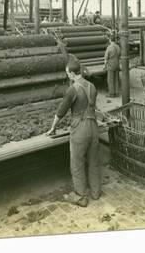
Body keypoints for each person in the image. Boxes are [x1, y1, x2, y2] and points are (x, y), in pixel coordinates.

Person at [46, 56, 100, 207]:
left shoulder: (72, 89)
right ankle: (96, 192)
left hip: (80, 128)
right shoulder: (92, 86)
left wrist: (53, 127)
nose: (67, 76)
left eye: (67, 73)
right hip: (93, 126)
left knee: (77, 163)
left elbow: (61, 111)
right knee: (94, 161)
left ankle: (81, 196)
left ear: (71, 73)